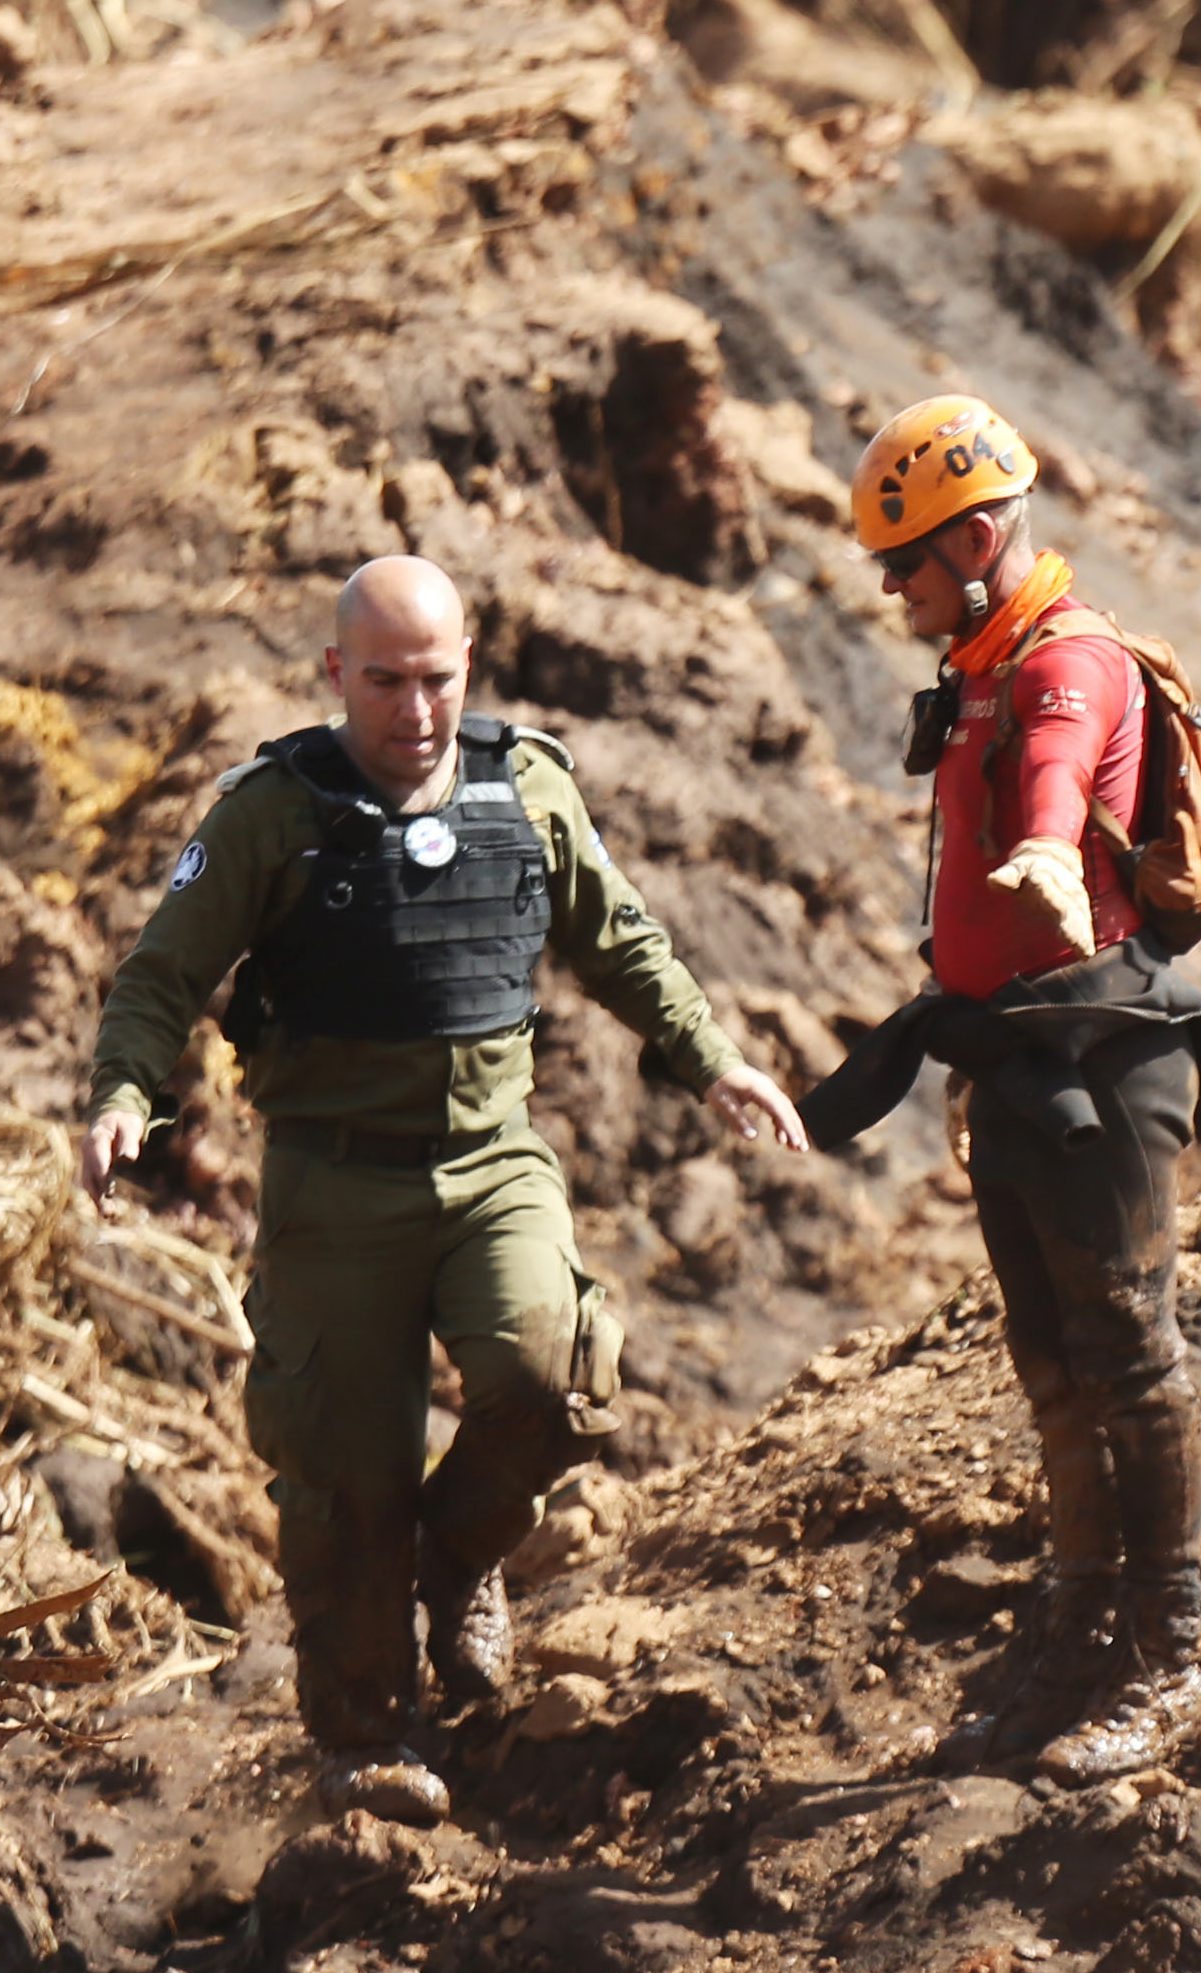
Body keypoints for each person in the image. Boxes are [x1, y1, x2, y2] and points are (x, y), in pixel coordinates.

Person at [77, 556, 807, 1828]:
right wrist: (123, 1094)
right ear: (333, 676)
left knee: (554, 1371)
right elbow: (161, 972)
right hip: (332, 1180)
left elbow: (616, 935)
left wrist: (713, 1058)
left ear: (467, 667)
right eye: (383, 682)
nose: (413, 709)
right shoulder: (271, 810)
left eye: (436, 678)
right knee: (345, 1472)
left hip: (490, 1159)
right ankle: (364, 1738)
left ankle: (461, 1555)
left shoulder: (524, 785)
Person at [798, 396, 1201, 1788]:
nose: (892, 589)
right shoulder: (983, 662)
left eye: (908, 561)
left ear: (980, 539)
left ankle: (1165, 1662)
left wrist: (1052, 854)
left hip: (1101, 1058)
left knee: (1127, 1347)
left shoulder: (1064, 662)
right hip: (1009, 1050)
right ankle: (1069, 1643)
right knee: (1050, 1358)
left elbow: (1056, 774)